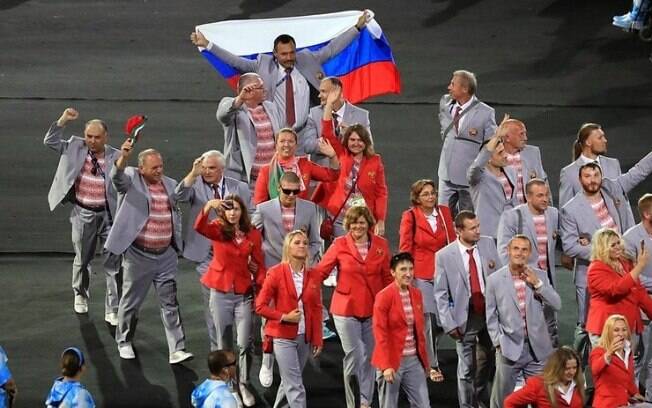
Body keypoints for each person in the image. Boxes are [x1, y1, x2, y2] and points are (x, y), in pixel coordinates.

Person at [190, 13, 367, 131]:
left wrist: (356, 28)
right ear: (275, 54)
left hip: (306, 131)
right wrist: (208, 45)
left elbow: (332, 49)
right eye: (284, 54)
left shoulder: (306, 59)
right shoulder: (263, 65)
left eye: (292, 52)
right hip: (275, 134)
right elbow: (235, 61)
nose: (290, 57)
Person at [104, 142, 193, 364]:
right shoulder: (132, 179)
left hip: (166, 255)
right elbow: (116, 178)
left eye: (161, 166)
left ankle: (177, 349)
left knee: (170, 302)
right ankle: (123, 341)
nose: (159, 171)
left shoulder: (169, 183)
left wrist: (194, 173)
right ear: (141, 168)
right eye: (154, 168)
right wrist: (123, 157)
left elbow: (181, 194)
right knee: (131, 302)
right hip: (138, 256)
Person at [560, 156, 652, 362]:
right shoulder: (571, 209)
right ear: (579, 179)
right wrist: (601, 250)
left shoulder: (611, 190)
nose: (592, 180)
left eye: (596, 175)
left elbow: (638, 171)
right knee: (587, 327)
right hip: (593, 272)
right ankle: (577, 368)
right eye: (587, 176)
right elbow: (569, 246)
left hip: (621, 264)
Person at [44, 107, 121, 323]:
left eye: (97, 137)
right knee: (82, 259)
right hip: (83, 212)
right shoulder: (74, 147)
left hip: (109, 216)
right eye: (89, 136)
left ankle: (113, 308)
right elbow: (50, 141)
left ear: (106, 137)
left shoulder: (116, 155)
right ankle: (80, 293)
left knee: (114, 264)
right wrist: (63, 120)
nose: (92, 141)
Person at [312, 206, 392, 408]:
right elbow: (320, 272)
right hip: (345, 310)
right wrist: (303, 286)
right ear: (348, 224)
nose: (358, 226)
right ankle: (352, 403)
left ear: (369, 224)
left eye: (362, 222)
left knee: (369, 358)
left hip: (373, 309)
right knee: (356, 355)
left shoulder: (381, 245)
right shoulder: (339, 244)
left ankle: (365, 402)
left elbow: (387, 278)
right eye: (354, 222)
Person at [251, 171, 322, 388]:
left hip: (300, 271)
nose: (291, 195)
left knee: (300, 312)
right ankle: (267, 360)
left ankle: (289, 368)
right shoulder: (264, 209)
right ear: (278, 188)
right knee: (269, 317)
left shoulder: (310, 209)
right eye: (287, 191)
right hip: (273, 271)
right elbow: (251, 235)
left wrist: (306, 262)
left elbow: (316, 241)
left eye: (296, 191)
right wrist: (253, 261)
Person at [194, 194, 265, 407]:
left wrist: (258, 274)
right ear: (222, 212)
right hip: (221, 293)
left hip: (243, 294)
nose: (233, 213)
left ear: (242, 211)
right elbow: (199, 227)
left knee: (245, 343)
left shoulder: (252, 233)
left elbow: (260, 264)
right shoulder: (217, 229)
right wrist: (208, 206)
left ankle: (244, 382)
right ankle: (231, 386)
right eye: (228, 209)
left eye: (236, 209)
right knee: (223, 344)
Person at [176, 150, 251, 351]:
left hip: (234, 256)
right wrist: (193, 173)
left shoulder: (239, 187)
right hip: (206, 255)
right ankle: (218, 349)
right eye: (204, 168)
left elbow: (250, 217)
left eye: (211, 168)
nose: (206, 172)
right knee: (213, 303)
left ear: (222, 169)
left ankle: (241, 342)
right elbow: (179, 196)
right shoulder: (196, 185)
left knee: (239, 302)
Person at [434, 210, 502, 408]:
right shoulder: (444, 256)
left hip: (489, 313)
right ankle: (466, 405)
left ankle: (480, 400)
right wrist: (449, 324)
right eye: (473, 228)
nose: (478, 231)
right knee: (466, 368)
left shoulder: (488, 244)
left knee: (487, 361)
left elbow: (498, 276)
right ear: (458, 230)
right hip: (465, 317)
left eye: (478, 226)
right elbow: (440, 294)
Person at [485, 235, 562, 408]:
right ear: (508, 251)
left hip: (538, 350)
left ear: (530, 253)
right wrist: (498, 342)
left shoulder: (539, 275)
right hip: (509, 348)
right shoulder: (495, 280)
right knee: (501, 400)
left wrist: (538, 284)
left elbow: (557, 303)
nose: (520, 253)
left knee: (543, 399)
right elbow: (491, 315)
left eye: (524, 250)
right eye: (516, 249)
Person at [255, 230, 324, 408]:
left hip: (304, 337)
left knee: (290, 382)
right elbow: (260, 306)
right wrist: (284, 317)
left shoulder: (314, 275)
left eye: (305, 243)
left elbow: (316, 309)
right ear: (287, 247)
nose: (302, 245)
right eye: (297, 242)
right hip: (283, 337)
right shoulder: (276, 273)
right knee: (296, 386)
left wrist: (317, 338)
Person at [398, 179, 456, 381]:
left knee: (444, 320)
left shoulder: (444, 212)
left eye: (432, 193)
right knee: (428, 320)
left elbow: (452, 242)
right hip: (422, 274)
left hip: (445, 273)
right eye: (425, 194)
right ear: (417, 198)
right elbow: (405, 247)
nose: (431, 197)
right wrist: (406, 275)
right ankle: (431, 364)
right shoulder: (410, 217)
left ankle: (423, 346)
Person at [318, 87, 388, 237]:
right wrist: (329, 105)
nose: (356, 143)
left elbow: (381, 193)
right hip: (341, 218)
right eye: (352, 140)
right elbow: (327, 132)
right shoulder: (341, 153)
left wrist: (381, 219)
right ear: (346, 141)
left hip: (364, 219)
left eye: (360, 140)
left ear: (366, 142)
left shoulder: (375, 161)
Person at [497, 179, 560, 345]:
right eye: (540, 195)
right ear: (528, 196)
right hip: (522, 279)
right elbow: (504, 250)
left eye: (546, 194)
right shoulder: (513, 216)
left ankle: (549, 361)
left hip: (545, 279)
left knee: (549, 321)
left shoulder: (553, 214)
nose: (545, 199)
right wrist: (513, 278)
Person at [372, 252, 431, 408]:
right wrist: (386, 365)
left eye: (411, 269)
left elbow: (419, 332)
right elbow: (380, 333)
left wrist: (425, 363)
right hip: (391, 360)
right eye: (403, 269)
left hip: (413, 360)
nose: (408, 273)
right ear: (393, 272)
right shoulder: (383, 297)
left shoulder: (417, 294)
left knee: (423, 405)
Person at [437, 69, 497, 215]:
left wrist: (478, 169)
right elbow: (445, 124)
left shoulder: (485, 112)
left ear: (464, 89)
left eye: (453, 84)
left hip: (468, 179)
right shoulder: (445, 102)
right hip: (446, 175)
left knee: (466, 219)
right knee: (443, 220)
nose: (448, 87)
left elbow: (490, 144)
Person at [586, 228, 652, 348]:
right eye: (613, 245)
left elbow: (639, 292)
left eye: (618, 243)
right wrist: (640, 266)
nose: (618, 247)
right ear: (602, 248)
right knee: (609, 366)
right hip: (606, 329)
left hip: (627, 327)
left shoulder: (625, 263)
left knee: (626, 365)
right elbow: (616, 289)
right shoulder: (596, 269)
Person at [215, 73, 283, 188]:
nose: (265, 90)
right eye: (260, 87)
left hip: (271, 178)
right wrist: (240, 98)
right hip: (244, 179)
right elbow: (222, 115)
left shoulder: (270, 107)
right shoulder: (234, 108)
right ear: (247, 90)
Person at [253, 127, 339, 205]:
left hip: (300, 217)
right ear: (276, 145)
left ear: (296, 145)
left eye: (290, 141)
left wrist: (333, 156)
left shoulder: (305, 165)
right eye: (282, 141)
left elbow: (332, 176)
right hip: (274, 218)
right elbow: (260, 203)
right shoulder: (266, 171)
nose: (286, 144)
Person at [302, 76, 371, 161]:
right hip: (323, 170)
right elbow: (307, 146)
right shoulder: (314, 113)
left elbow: (368, 145)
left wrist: (352, 136)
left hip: (351, 170)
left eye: (323, 91)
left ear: (337, 92)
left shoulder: (361, 115)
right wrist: (328, 141)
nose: (319, 95)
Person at [624, 193, 652, 398]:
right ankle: (631, 395)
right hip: (640, 303)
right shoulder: (631, 238)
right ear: (647, 213)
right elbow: (631, 276)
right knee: (638, 354)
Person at [559, 123, 624, 208]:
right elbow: (565, 210)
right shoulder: (568, 173)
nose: (605, 140)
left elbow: (623, 201)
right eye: (600, 138)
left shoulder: (613, 164)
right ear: (588, 142)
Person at [468, 132, 518, 239]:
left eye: (504, 151)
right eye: (500, 153)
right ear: (488, 158)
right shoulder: (478, 177)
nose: (505, 155)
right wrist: (496, 136)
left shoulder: (511, 172)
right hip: (489, 234)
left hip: (510, 232)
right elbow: (477, 166)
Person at [590, 315, 645, 407]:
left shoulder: (628, 351)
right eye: (616, 330)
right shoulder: (598, 352)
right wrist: (609, 353)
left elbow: (627, 378)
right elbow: (595, 369)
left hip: (625, 402)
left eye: (624, 330)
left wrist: (635, 393)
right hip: (607, 404)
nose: (621, 334)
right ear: (608, 332)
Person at [504, 346, 585, 408]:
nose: (572, 372)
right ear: (556, 368)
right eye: (567, 369)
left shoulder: (578, 384)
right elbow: (510, 402)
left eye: (574, 368)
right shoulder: (538, 385)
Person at [499, 118, 548, 204]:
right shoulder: (495, 155)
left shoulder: (533, 152)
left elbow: (543, 182)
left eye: (525, 133)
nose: (525, 138)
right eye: (521, 134)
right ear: (507, 137)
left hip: (528, 211)